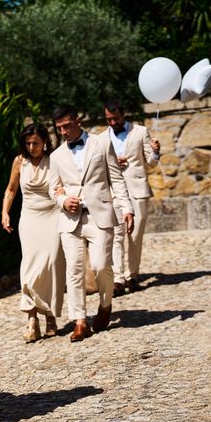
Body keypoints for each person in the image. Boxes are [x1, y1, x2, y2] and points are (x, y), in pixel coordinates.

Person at [47, 106, 133, 342]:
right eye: (59, 128)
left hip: (100, 215)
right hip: (71, 221)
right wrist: (64, 201)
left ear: (78, 120)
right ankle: (80, 321)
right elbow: (53, 189)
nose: (63, 132)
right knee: (73, 271)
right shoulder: (56, 156)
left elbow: (116, 178)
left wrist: (127, 208)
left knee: (100, 265)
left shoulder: (102, 144)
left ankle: (105, 304)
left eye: (66, 126)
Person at [1, 123, 65, 342]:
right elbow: (11, 189)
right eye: (28, 143)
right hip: (29, 218)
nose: (31, 147)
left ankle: (50, 316)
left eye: (35, 143)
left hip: (52, 216)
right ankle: (31, 319)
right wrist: (5, 212)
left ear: (45, 142)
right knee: (29, 268)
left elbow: (63, 187)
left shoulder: (54, 161)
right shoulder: (20, 161)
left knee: (51, 266)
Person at [103, 99, 160, 294]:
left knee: (135, 235)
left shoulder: (140, 132)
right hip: (114, 192)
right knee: (116, 234)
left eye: (115, 119)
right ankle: (118, 279)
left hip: (137, 190)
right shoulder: (102, 138)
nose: (112, 123)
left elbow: (151, 162)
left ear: (123, 114)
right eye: (108, 119)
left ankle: (132, 275)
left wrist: (156, 152)